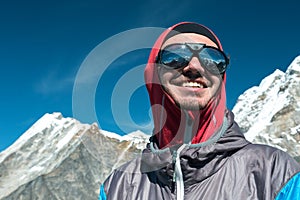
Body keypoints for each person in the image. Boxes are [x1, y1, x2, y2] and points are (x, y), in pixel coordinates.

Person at [99, 22, 300, 199]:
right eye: (176, 56)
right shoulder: (116, 188)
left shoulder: (276, 174)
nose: (195, 67)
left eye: (211, 59)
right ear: (154, 74)